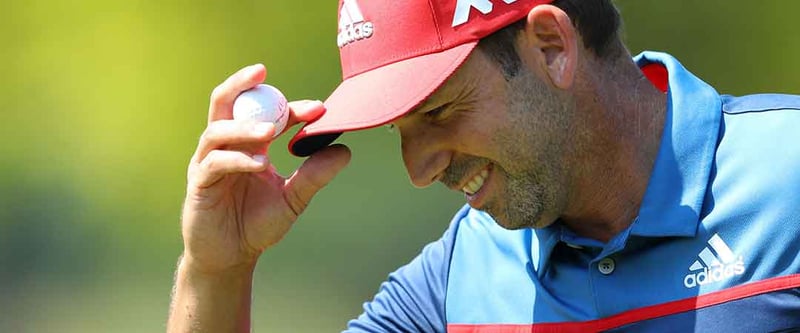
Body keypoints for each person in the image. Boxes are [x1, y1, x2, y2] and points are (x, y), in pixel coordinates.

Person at [167, 0, 800, 331]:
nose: (418, 169)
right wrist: (219, 271)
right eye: (399, 130)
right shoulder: (454, 285)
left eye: (439, 111)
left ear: (552, 46)